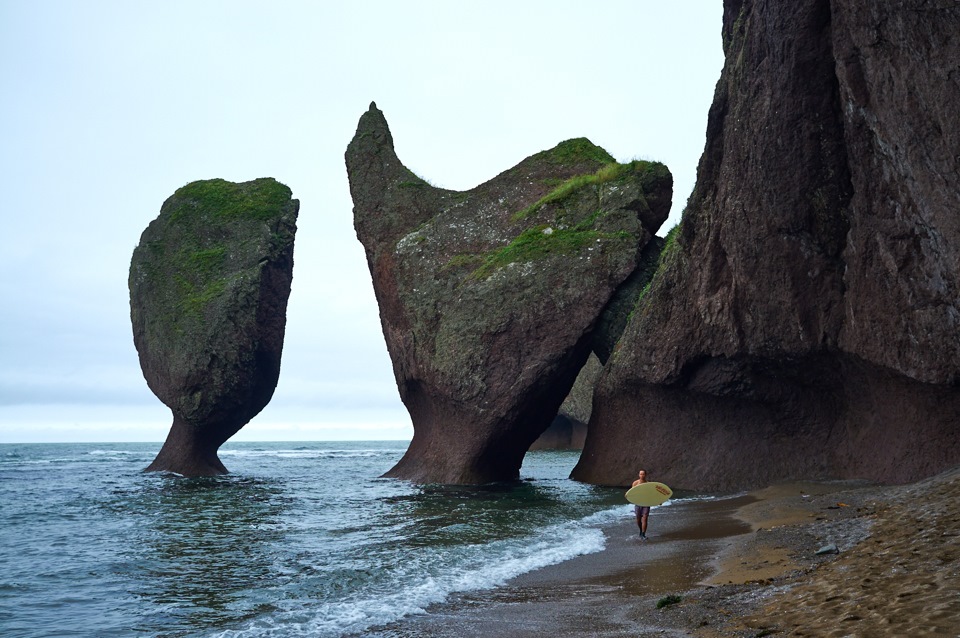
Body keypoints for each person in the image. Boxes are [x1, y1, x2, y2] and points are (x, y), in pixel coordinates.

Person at [632, 469, 650, 539]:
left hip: (646, 503)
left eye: (643, 474)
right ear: (639, 475)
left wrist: (658, 501)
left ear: (645, 475)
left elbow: (652, 495)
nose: (642, 475)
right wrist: (627, 495)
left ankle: (643, 534)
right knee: (638, 519)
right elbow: (632, 493)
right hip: (638, 503)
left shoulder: (648, 484)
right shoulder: (635, 483)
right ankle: (640, 530)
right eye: (640, 474)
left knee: (645, 518)